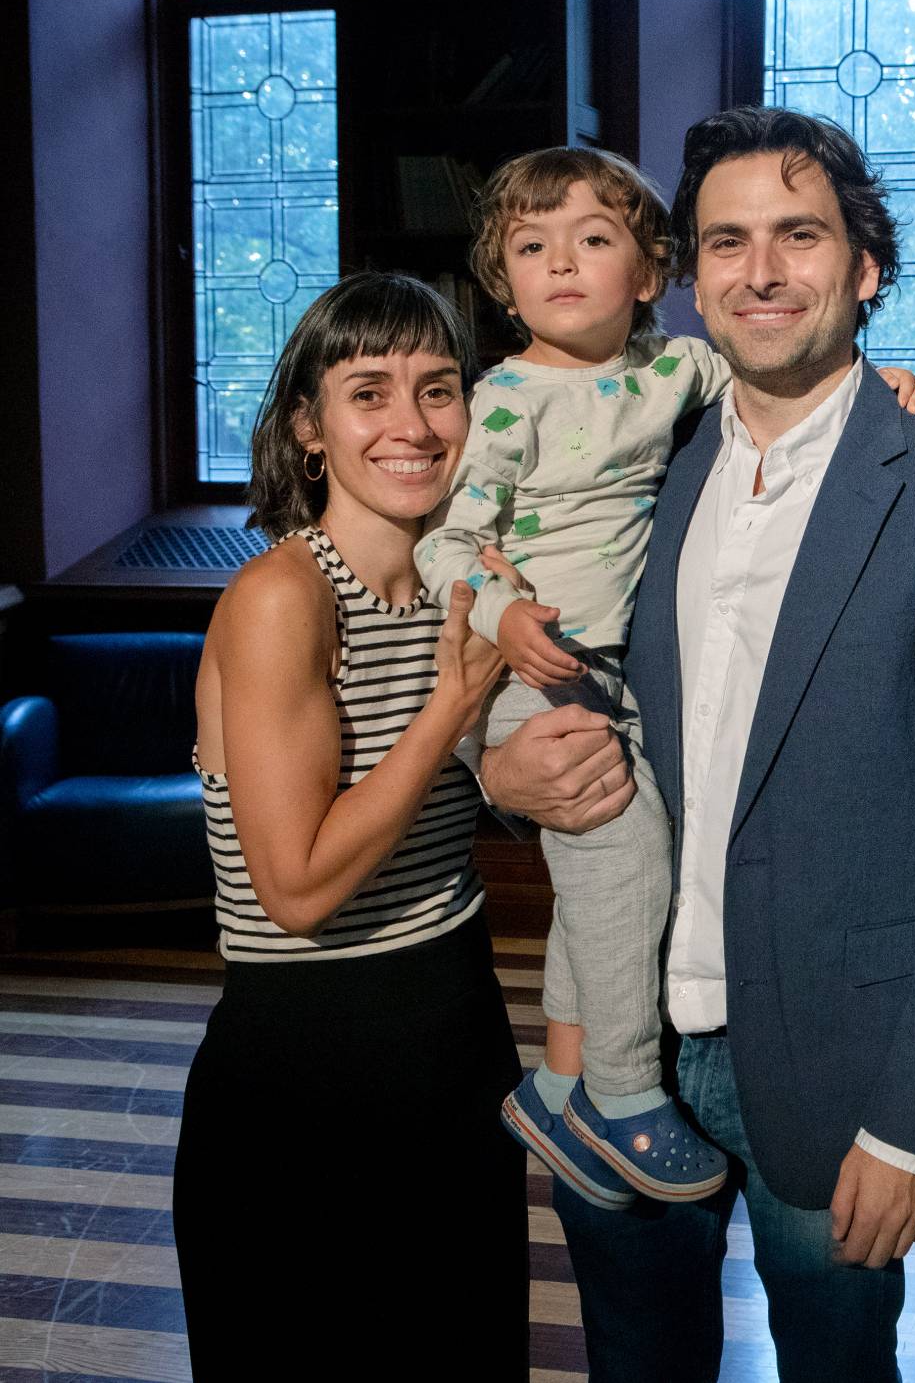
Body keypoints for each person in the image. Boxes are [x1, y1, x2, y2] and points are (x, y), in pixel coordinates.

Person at [480, 106, 915, 1381]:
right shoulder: (644, 460)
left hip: (834, 1057)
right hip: (629, 1039)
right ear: (686, 280)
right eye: (727, 242)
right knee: (638, 1363)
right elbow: (536, 671)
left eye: (800, 234)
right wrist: (500, 778)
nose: (762, 270)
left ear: (865, 265)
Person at [416, 146, 915, 1209]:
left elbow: (782, 373)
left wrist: (883, 384)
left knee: (601, 882)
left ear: (653, 274)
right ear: (500, 280)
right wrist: (505, 615)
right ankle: (618, 1090)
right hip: (539, 664)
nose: (561, 264)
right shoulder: (504, 401)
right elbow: (445, 543)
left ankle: (555, 1082)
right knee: (624, 851)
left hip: (620, 669)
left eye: (593, 240)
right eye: (531, 247)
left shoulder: (673, 368)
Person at [172, 272, 529, 1380]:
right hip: (306, 1068)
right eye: (368, 392)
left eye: (438, 389)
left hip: (459, 1032)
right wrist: (451, 710)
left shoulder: (462, 583)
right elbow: (298, 886)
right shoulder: (284, 597)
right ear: (309, 428)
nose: (413, 426)